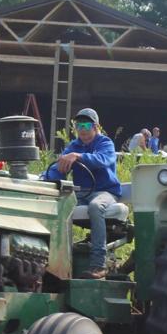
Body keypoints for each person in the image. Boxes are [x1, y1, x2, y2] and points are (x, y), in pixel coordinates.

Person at [42, 108, 121, 279]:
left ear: (96, 126)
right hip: (81, 193)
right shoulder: (73, 146)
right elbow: (59, 168)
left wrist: (78, 156)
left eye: (86, 124)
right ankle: (55, 262)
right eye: (78, 125)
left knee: (95, 207)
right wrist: (45, 179)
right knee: (56, 206)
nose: (82, 129)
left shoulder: (105, 143)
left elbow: (103, 160)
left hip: (105, 192)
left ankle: (98, 265)